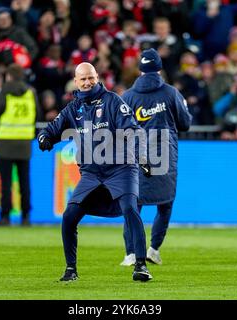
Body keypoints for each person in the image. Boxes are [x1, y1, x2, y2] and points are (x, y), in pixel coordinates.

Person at [37, 62, 153, 282]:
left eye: (90, 77)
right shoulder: (73, 108)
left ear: (97, 77)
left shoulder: (113, 101)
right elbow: (52, 129)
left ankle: (141, 266)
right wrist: (44, 138)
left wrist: (142, 156)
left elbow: (134, 130)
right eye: (83, 79)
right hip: (92, 174)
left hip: (121, 168)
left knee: (130, 209)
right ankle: (71, 269)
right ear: (76, 81)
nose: (87, 82)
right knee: (69, 217)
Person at [120, 48, 192, 266]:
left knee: (134, 205)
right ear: (159, 68)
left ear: (140, 69)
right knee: (165, 203)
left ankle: (131, 253)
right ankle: (153, 249)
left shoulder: (127, 97)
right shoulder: (171, 93)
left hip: (135, 156)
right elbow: (185, 124)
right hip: (164, 155)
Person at [0, 63, 40, 226]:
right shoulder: (30, 94)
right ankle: (25, 216)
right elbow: (37, 116)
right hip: (24, 143)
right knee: (24, 182)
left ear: (9, 76)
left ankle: (5, 217)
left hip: (5, 143)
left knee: (6, 183)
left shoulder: (3, 94)